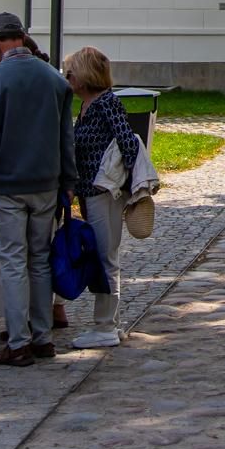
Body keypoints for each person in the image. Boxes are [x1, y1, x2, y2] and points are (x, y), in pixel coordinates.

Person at [0, 11, 76, 367]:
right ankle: (43, 338)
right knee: (40, 259)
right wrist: (69, 182)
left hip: (9, 185)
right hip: (46, 184)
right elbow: (66, 139)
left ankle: (18, 343)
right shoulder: (55, 80)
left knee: (13, 260)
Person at [61, 46, 139, 349]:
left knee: (106, 256)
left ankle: (105, 326)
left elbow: (128, 145)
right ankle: (110, 323)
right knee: (103, 254)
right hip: (89, 190)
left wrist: (116, 182)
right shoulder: (86, 106)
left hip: (103, 192)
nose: (67, 76)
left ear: (85, 74)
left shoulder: (107, 103)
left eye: (71, 71)